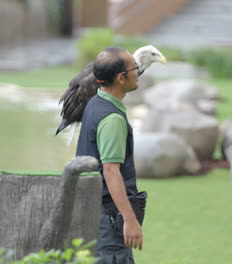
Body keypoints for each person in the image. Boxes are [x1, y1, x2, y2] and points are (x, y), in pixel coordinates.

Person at [76, 47, 147, 264]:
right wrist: (129, 220)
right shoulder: (112, 119)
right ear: (120, 78)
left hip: (92, 212)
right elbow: (110, 171)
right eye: (134, 68)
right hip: (108, 219)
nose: (138, 71)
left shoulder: (96, 103)